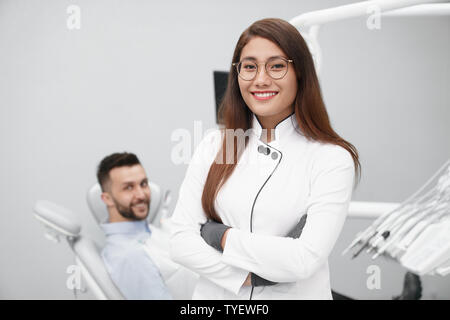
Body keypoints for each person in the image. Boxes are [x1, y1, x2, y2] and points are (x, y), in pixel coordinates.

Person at [169, 18, 362, 300]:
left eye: (276, 66)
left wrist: (219, 236)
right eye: (249, 66)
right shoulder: (214, 144)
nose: (260, 79)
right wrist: (247, 278)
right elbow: (179, 242)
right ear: (237, 75)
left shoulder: (331, 158)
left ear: (300, 73)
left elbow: (303, 258)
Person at [97, 152, 172, 300]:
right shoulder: (131, 256)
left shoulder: (144, 233)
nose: (141, 195)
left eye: (143, 184)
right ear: (107, 199)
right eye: (129, 188)